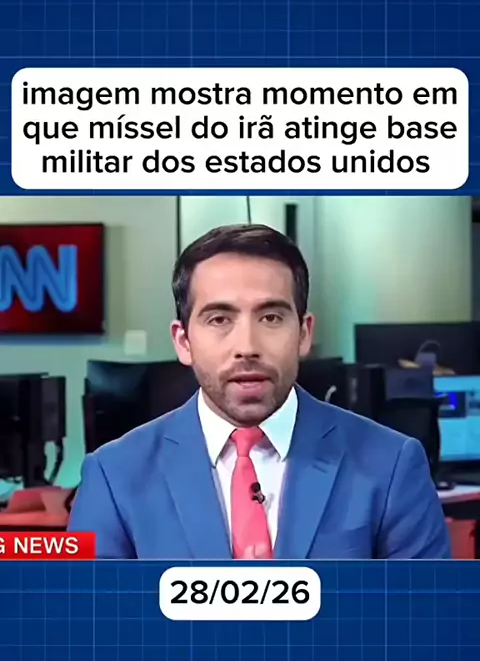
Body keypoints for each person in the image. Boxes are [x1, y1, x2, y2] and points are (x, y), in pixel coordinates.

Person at [69, 224, 451, 560]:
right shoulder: (114, 475)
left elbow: (423, 615)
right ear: (183, 341)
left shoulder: (392, 465)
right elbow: (92, 616)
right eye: (219, 319)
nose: (247, 346)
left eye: (270, 317)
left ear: (304, 333)